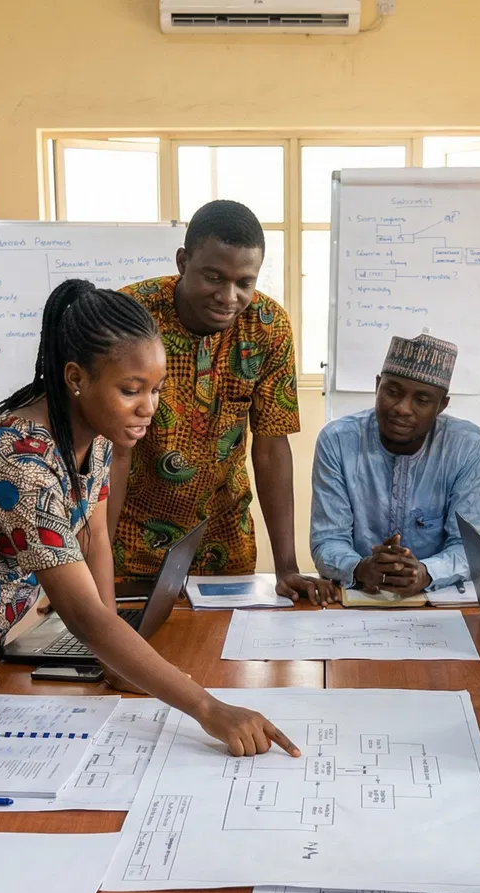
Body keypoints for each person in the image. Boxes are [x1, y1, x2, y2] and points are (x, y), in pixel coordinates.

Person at [0, 279, 297, 758]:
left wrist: (115, 661)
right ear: (76, 377)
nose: (148, 408)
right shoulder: (20, 459)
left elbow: (94, 538)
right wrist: (207, 708)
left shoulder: (100, 432)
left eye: (155, 390)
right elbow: (83, 615)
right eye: (131, 390)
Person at [109, 200, 336, 603]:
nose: (228, 297)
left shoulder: (269, 327)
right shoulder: (132, 316)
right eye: (213, 277)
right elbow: (111, 450)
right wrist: (93, 563)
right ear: (183, 261)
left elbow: (270, 448)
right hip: (130, 543)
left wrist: (287, 566)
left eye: (244, 283)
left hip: (224, 542)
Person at [309, 334, 480, 596]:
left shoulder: (465, 445)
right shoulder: (337, 440)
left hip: (438, 600)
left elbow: (471, 547)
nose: (403, 408)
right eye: (392, 392)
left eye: (422, 400)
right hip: (360, 597)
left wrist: (426, 572)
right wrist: (360, 567)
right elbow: (327, 539)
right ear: (377, 386)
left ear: (442, 405)